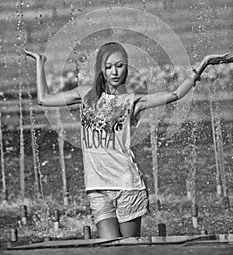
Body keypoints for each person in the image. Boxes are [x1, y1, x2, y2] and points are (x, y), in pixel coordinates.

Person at [24, 43, 233, 239]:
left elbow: (175, 94)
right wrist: (40, 63)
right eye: (108, 67)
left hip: (127, 187)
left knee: (128, 249)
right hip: (97, 188)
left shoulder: (132, 101)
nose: (114, 72)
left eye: (119, 66)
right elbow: (44, 99)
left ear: (126, 68)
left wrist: (203, 63)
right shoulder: (85, 95)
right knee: (109, 248)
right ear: (101, 69)